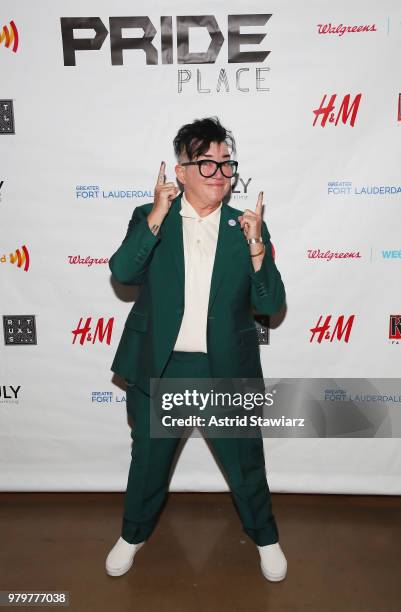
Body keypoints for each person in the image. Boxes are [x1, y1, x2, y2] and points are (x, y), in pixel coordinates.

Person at [105, 117, 287, 581]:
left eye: (226, 163)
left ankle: (265, 538)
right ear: (180, 171)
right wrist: (156, 216)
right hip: (160, 367)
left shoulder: (246, 225)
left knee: (246, 463)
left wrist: (256, 248)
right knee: (147, 464)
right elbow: (124, 272)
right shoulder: (152, 216)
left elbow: (271, 304)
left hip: (223, 368)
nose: (219, 172)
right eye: (206, 162)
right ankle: (132, 534)